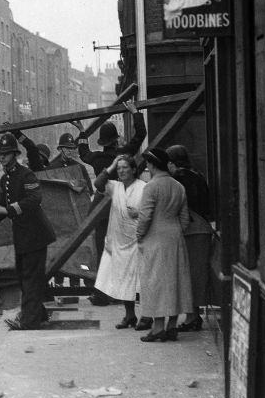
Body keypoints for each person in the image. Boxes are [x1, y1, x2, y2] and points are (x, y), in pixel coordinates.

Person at [0, 132, 57, 330]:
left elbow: (35, 200)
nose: (2, 157)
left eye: (6, 154)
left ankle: (28, 321)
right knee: (26, 279)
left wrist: (5, 211)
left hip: (36, 235)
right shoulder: (5, 179)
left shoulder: (26, 174)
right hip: (23, 236)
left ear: (15, 154)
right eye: (1, 153)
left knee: (31, 279)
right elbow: (3, 204)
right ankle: (38, 314)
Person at [77, 100, 147, 304]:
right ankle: (126, 292)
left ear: (102, 142)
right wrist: (135, 112)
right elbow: (140, 135)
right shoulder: (122, 155)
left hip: (100, 211)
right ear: (116, 141)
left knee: (103, 251)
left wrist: (82, 131)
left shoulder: (97, 159)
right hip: (121, 208)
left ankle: (103, 294)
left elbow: (83, 152)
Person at [135, 148, 193, 342]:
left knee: (155, 282)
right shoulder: (178, 186)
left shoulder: (150, 187)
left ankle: (158, 327)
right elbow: (185, 218)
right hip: (175, 237)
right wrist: (176, 232)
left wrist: (139, 236)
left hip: (155, 238)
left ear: (151, 165)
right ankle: (172, 325)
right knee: (175, 280)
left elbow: (145, 217)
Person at [92, 154, 148, 329]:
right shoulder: (115, 187)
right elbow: (98, 184)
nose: (121, 171)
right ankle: (129, 315)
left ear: (133, 169)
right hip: (118, 239)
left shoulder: (144, 187)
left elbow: (151, 210)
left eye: (125, 167)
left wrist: (138, 213)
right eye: (119, 168)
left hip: (138, 239)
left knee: (142, 280)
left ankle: (147, 316)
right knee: (123, 277)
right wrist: (111, 164)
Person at [167, 144, 212, 332]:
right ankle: (194, 314)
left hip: (191, 230)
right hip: (201, 227)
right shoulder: (197, 175)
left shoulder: (180, 178)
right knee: (197, 274)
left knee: (189, 274)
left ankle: (193, 317)